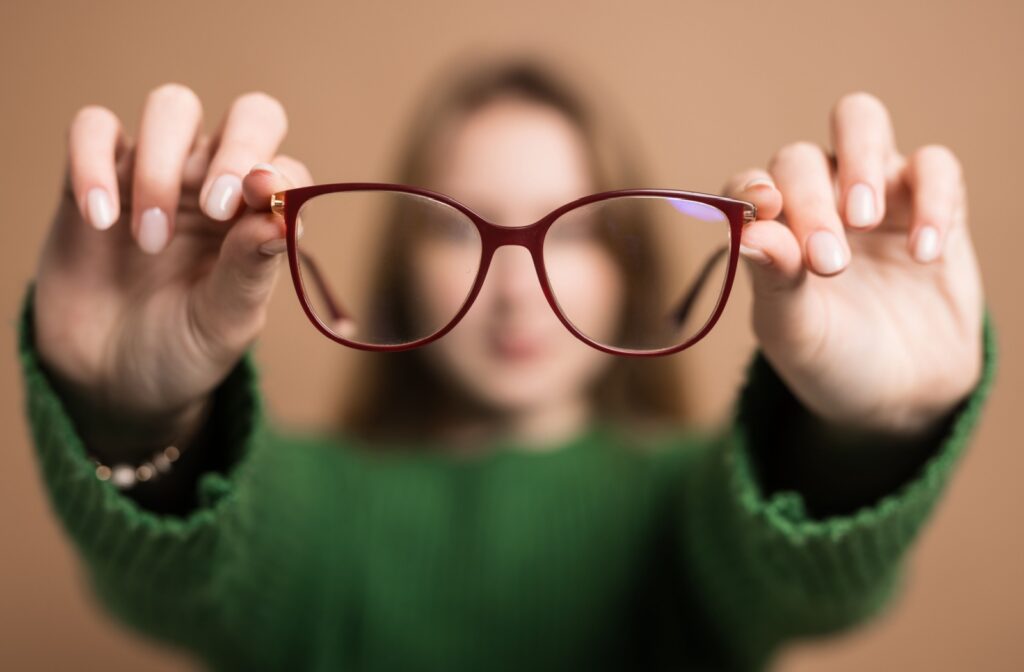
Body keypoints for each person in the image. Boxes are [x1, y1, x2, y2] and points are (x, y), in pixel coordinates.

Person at [17, 54, 996, 671]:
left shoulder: (686, 510)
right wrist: (133, 417)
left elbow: (789, 571)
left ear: (628, 265)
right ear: (400, 262)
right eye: (459, 227)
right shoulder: (311, 507)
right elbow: (194, 576)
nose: (518, 284)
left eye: (568, 232)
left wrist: (873, 427)